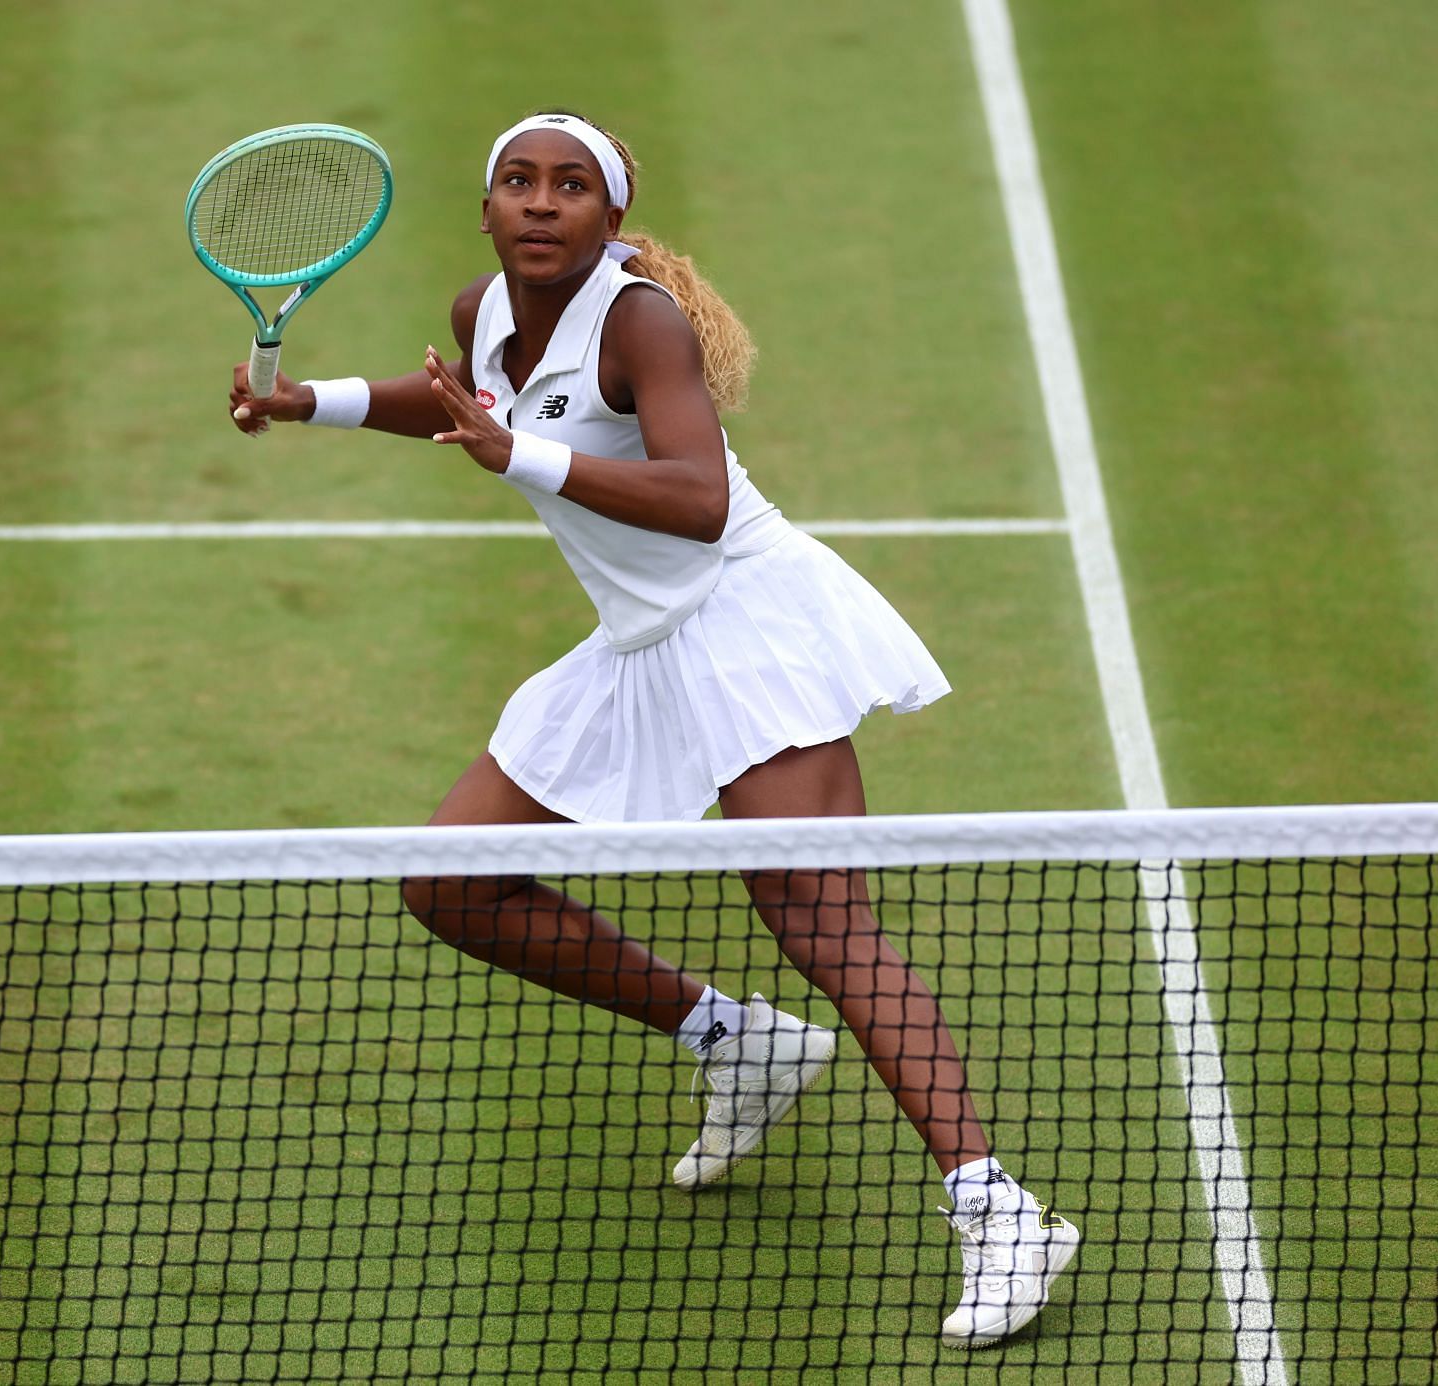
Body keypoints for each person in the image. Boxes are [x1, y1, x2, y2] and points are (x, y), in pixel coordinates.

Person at [228, 110, 1078, 1348]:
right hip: (636, 644)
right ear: (486, 208)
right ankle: (736, 1040)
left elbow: (695, 498)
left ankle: (1002, 1213)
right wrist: (315, 401)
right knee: (452, 885)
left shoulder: (642, 322)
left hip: (746, 623)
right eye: (516, 182)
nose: (538, 202)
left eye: (570, 187)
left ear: (610, 221)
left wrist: (514, 456)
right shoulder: (484, 313)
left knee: (817, 918)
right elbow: (459, 397)